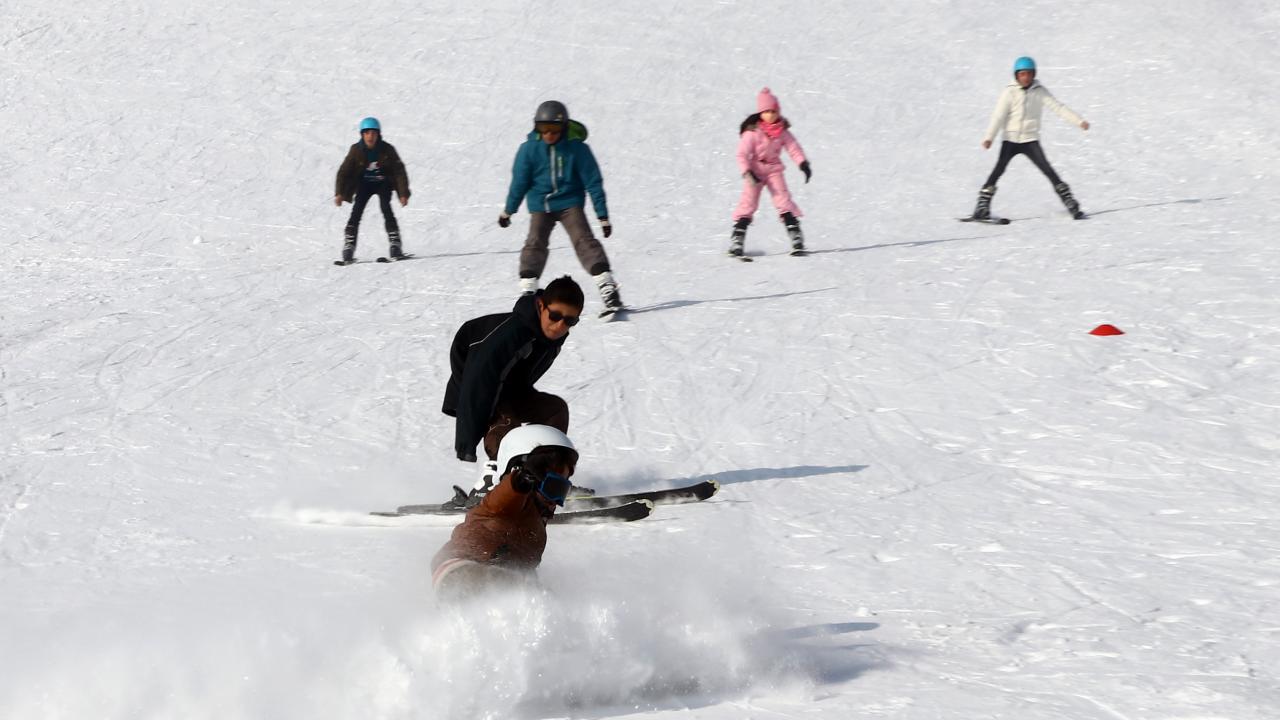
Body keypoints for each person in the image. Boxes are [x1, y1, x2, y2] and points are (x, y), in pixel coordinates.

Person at [441, 275, 587, 504]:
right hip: (475, 391)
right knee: (506, 421)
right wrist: (467, 444)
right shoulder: (510, 335)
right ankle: (490, 483)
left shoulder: (549, 338)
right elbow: (477, 384)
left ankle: (551, 478)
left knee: (554, 410)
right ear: (541, 306)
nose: (560, 325)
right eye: (555, 316)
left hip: (509, 391)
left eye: (570, 321)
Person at [498, 100, 623, 314]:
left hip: (569, 203)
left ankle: (607, 286)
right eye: (543, 129)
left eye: (554, 129)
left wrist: (602, 215)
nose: (548, 134)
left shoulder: (577, 150)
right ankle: (528, 291)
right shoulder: (528, 150)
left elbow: (593, 182)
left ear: (564, 127)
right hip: (541, 204)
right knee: (534, 242)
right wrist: (508, 210)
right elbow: (520, 182)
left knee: (584, 240)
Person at [431, 424, 578, 602]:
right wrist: (522, 479)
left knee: (543, 598)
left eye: (562, 490)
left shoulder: (537, 524)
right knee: (530, 595)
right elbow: (506, 496)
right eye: (552, 486)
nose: (555, 500)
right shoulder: (503, 502)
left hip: (490, 579)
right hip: (460, 569)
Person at [972, 57, 1090, 221]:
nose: (1025, 78)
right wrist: (989, 137)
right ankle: (982, 206)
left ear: (1033, 75)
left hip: (1030, 140)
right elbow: (998, 116)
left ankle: (1070, 201)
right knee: (998, 170)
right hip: (1010, 140)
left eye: (1028, 74)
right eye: (1022, 74)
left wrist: (1079, 121)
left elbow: (1058, 107)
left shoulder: (1039, 91)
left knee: (1048, 170)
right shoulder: (1009, 92)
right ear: (1016, 76)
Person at [731, 87, 812, 257]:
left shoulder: (782, 131)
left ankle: (796, 237)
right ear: (761, 112)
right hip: (755, 170)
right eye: (767, 111)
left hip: (774, 170)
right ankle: (737, 239)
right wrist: (747, 171)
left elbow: (793, 148)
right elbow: (742, 154)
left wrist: (802, 163)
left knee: (784, 201)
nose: (771, 115)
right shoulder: (752, 132)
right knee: (748, 203)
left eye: (774, 111)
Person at [333, 116, 411, 263]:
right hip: (364, 184)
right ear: (362, 135)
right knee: (357, 210)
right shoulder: (356, 150)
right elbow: (344, 172)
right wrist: (339, 193)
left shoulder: (387, 149)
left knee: (386, 208)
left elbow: (399, 171)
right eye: (367, 133)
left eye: (374, 133)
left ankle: (395, 244)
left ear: (378, 135)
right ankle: (349, 245)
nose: (370, 136)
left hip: (383, 183)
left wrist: (403, 193)